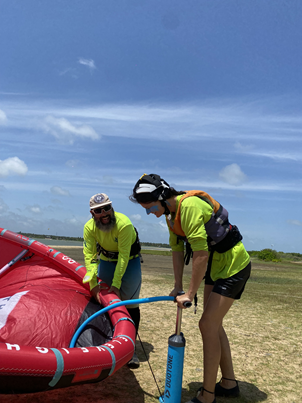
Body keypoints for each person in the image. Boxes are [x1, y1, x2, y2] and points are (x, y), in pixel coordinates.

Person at [130, 174, 251, 403]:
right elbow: (177, 251)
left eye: (150, 207)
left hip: (234, 266)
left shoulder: (190, 206)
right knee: (213, 324)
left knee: (207, 324)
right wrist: (178, 286)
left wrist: (190, 294)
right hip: (217, 267)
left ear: (163, 197)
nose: (149, 213)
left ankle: (207, 396)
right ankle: (229, 383)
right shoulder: (171, 216)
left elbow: (201, 253)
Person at [83, 193, 142, 369]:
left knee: (130, 305)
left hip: (129, 262)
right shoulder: (89, 227)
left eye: (107, 208)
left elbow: (124, 256)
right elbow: (90, 255)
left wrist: (116, 285)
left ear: (112, 208)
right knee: (103, 303)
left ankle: (130, 350)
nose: (104, 213)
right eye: (98, 210)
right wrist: (93, 285)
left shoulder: (124, 224)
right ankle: (106, 342)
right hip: (107, 262)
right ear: (92, 213)